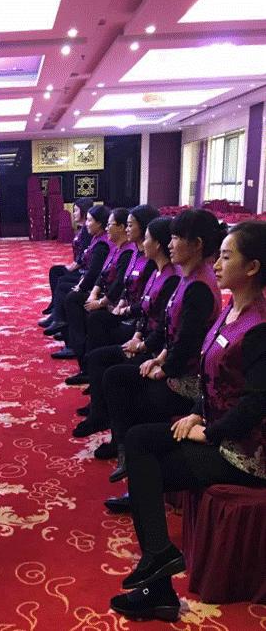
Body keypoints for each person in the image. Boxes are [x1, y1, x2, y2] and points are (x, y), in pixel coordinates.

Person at [109, 221, 266, 622]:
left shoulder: (259, 327)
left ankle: (157, 582)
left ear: (252, 267)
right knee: (140, 441)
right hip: (216, 429)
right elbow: (211, 374)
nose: (217, 264)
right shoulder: (231, 310)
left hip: (244, 453)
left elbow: (256, 405)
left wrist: (207, 431)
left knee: (148, 469)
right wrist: (197, 410)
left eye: (226, 257)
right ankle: (159, 559)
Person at [103, 209, 223, 483]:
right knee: (117, 375)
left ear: (197, 244)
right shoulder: (189, 277)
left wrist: (163, 369)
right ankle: (124, 450)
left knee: (126, 386)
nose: (170, 244)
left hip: (189, 380)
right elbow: (174, 330)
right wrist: (159, 358)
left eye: (176, 237)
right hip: (175, 364)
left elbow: (189, 343)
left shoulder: (199, 286)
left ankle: (132, 457)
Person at [73, 217, 180, 442]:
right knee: (97, 348)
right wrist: (137, 335)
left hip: (154, 345)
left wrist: (142, 345)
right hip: (142, 334)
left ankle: (109, 425)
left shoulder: (172, 277)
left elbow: (165, 323)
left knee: (105, 356)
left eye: (133, 226)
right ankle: (98, 408)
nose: (141, 242)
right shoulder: (154, 268)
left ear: (156, 243)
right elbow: (143, 306)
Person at [63, 204, 160, 383]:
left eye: (130, 225)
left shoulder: (149, 260)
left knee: (94, 316)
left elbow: (147, 301)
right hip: (124, 308)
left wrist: (115, 306)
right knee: (83, 306)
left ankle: (89, 365)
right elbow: (118, 281)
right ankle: (86, 362)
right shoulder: (135, 252)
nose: (108, 228)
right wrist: (110, 300)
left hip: (136, 319)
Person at [52, 208, 133, 360]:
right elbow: (102, 273)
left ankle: (77, 346)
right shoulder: (116, 247)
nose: (107, 229)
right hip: (104, 293)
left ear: (121, 227)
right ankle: (68, 333)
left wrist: (102, 301)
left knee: (74, 299)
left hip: (116, 302)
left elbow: (120, 283)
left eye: (109, 225)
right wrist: (94, 293)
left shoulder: (127, 251)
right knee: (70, 292)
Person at [41, 204, 113, 336]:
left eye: (90, 220)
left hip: (94, 282)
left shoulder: (102, 243)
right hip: (87, 275)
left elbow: (94, 272)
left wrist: (82, 286)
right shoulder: (95, 236)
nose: (87, 224)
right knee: (59, 277)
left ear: (99, 223)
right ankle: (57, 315)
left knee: (65, 286)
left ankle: (62, 322)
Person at [41, 197, 93, 316]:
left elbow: (85, 254)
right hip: (79, 266)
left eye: (76, 210)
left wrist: (73, 266)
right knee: (55, 271)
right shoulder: (83, 229)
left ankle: (57, 310)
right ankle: (55, 304)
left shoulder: (87, 231)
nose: (73, 213)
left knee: (59, 275)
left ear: (84, 211)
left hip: (83, 270)